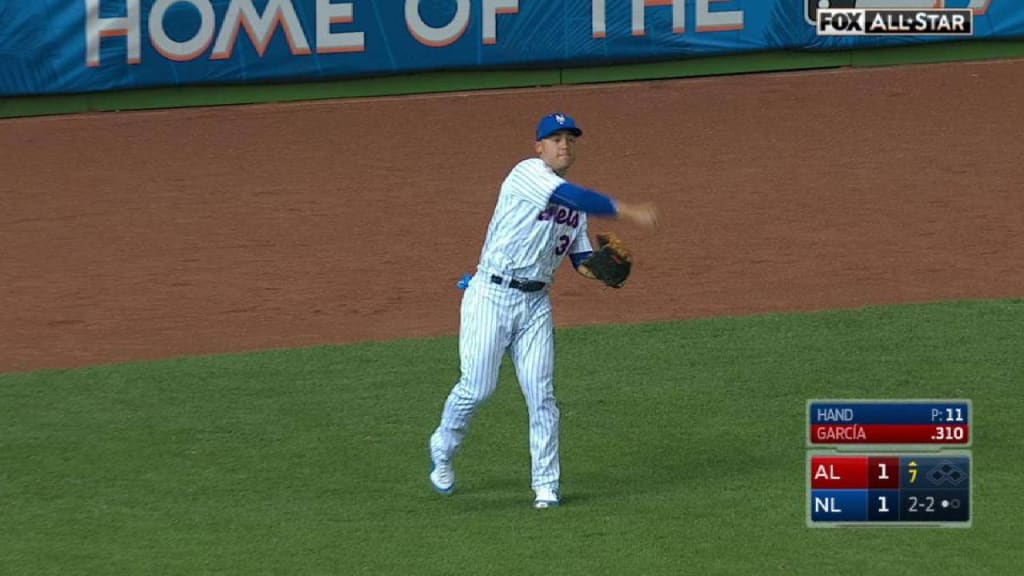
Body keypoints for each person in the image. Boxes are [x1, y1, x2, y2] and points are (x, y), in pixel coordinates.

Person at [428, 112, 657, 509]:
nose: (563, 145)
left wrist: (604, 273)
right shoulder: (527, 174)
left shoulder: (575, 212)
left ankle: (546, 486)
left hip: (534, 304)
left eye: (570, 139)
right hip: (490, 296)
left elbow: (580, 258)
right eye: (555, 139)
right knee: (478, 388)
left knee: (542, 395)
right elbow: (572, 197)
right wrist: (628, 210)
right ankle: (443, 449)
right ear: (539, 146)